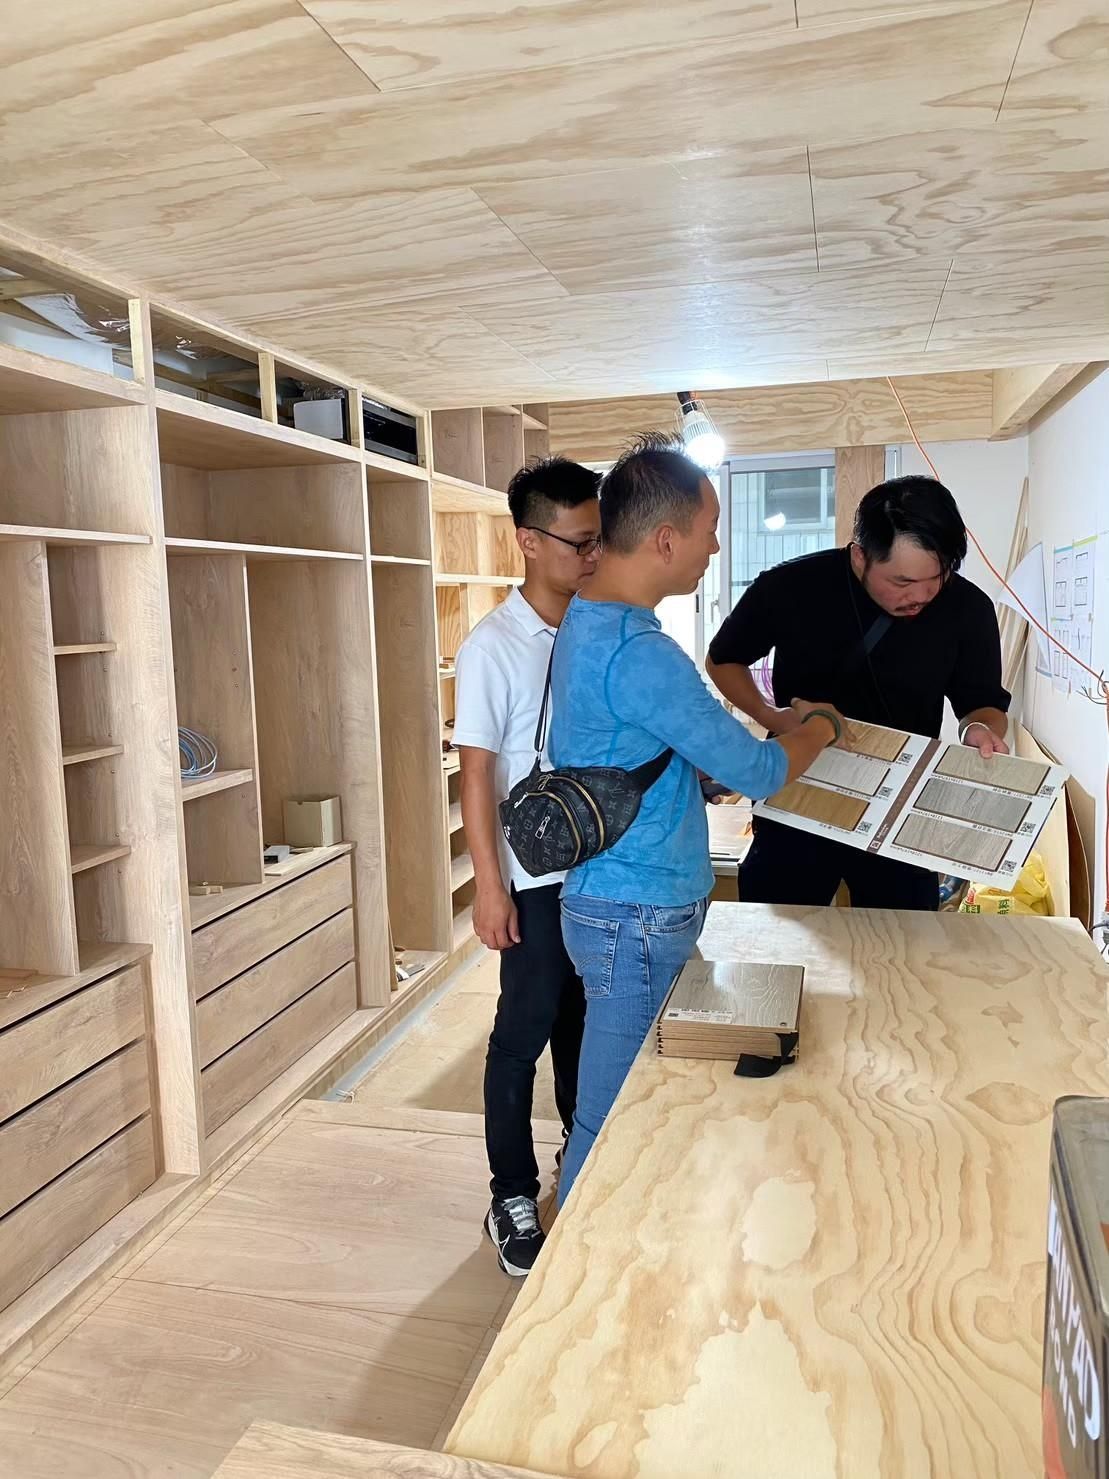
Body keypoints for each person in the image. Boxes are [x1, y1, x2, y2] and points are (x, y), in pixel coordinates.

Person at [548, 434, 844, 1205]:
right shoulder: (641, 653)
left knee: (632, 1104)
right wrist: (816, 726)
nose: (714, 546)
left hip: (616, 901)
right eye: (709, 530)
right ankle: (573, 1264)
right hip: (636, 913)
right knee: (609, 1118)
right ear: (663, 539)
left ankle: (623, 1236)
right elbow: (759, 772)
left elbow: (627, 744)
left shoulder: (587, 616)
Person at [706, 474, 1011, 912]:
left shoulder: (968, 608)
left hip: (899, 804)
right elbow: (723, 660)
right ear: (859, 556)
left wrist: (979, 729)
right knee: (780, 930)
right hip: (799, 793)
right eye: (902, 582)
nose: (922, 595)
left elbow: (982, 702)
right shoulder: (791, 587)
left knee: (902, 937)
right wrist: (774, 717)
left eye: (938, 576)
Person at [453, 456, 602, 1275]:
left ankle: (577, 1155)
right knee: (523, 1031)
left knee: (583, 1020)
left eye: (598, 539)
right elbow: (476, 772)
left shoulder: (598, 626)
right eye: (578, 541)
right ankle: (509, 1191)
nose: (592, 555)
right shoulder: (493, 646)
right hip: (533, 877)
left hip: (597, 873)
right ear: (529, 541)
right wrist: (490, 885)